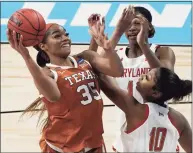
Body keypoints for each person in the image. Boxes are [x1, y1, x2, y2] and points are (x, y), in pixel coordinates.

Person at [7, 7, 134, 153]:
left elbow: (117, 71)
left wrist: (106, 46)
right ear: (43, 46)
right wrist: (26, 56)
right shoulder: (48, 74)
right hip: (62, 148)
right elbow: (53, 96)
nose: (65, 38)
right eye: (57, 36)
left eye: (66, 34)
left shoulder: (85, 58)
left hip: (94, 144)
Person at [88, 6, 176, 149]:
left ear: (150, 27)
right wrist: (96, 36)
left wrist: (144, 45)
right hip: (127, 128)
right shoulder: (117, 55)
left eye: (137, 23)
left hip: (157, 129)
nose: (132, 27)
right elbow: (92, 64)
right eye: (127, 24)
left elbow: (166, 78)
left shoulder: (162, 51)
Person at [99, 67, 192, 152]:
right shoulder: (179, 120)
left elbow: (104, 80)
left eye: (147, 78)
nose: (142, 75)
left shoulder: (136, 110)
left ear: (155, 93)